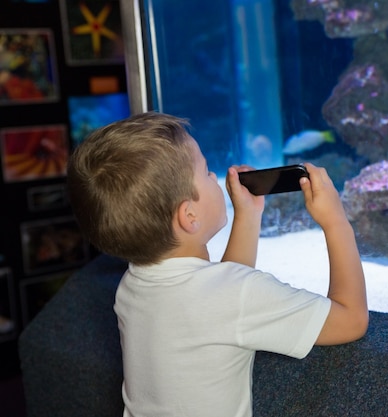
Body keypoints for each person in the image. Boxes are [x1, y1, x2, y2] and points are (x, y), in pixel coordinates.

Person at [66, 111, 368, 417]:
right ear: (189, 217)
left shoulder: (132, 286)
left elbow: (220, 291)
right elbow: (351, 320)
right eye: (207, 171)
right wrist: (336, 221)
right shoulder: (235, 294)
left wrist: (248, 217)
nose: (215, 178)